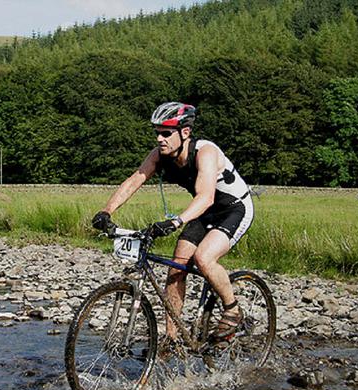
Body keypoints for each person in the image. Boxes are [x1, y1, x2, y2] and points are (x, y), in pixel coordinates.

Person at [91, 102, 254, 353]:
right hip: (205, 211)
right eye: (157, 132)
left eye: (166, 133)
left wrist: (176, 221)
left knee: (203, 257)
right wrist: (106, 211)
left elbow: (206, 197)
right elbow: (136, 179)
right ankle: (171, 338)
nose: (159, 138)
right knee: (177, 266)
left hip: (233, 208)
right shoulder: (159, 155)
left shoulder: (205, 152)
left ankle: (233, 310)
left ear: (185, 133)